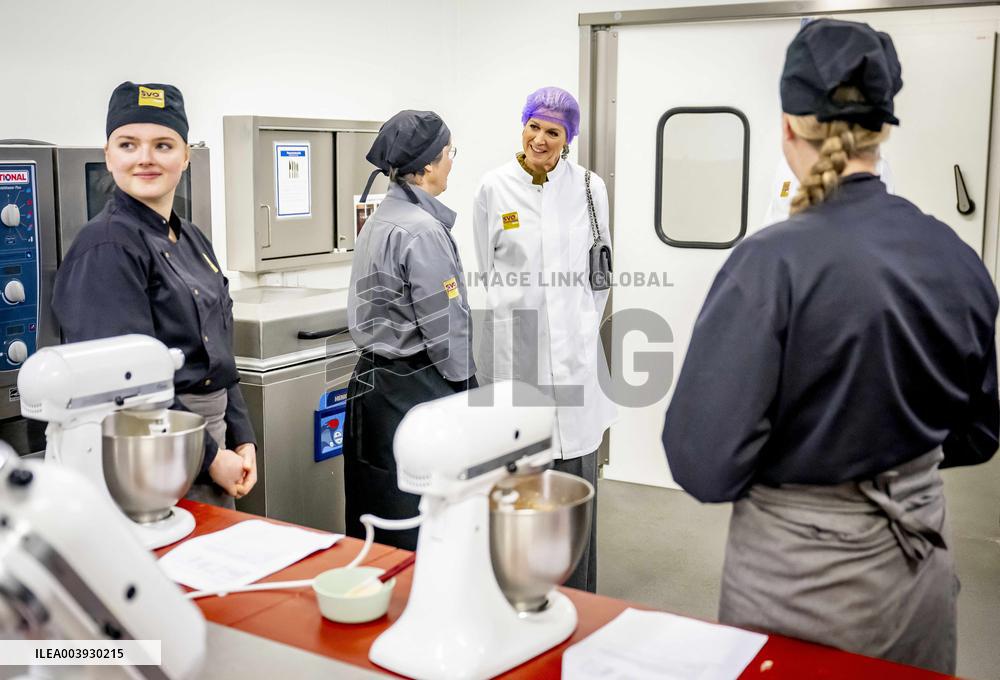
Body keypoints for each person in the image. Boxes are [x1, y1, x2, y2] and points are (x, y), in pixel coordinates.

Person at [661, 20, 998, 674]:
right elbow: (978, 430)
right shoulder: (956, 257)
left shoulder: (769, 264)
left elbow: (703, 462)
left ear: (787, 125)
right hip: (921, 570)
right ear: (884, 130)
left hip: (803, 584)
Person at [52, 81, 257, 507]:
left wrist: (242, 437)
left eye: (163, 145)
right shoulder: (107, 246)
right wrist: (209, 456)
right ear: (108, 156)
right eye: (128, 144)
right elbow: (125, 387)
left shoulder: (192, 237)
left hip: (208, 444)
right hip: (149, 452)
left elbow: (218, 351)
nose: (145, 158)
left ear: (185, 156)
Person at [473, 87, 617, 593]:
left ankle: (579, 596)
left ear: (568, 139)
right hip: (521, 353)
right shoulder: (494, 187)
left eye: (553, 132)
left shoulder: (589, 188)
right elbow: (488, 273)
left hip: (575, 357)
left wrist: (576, 326)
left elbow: (597, 276)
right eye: (533, 126)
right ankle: (522, 591)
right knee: (523, 482)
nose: (539, 139)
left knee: (574, 484)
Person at [346, 110, 477, 551]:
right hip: (416, 389)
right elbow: (446, 328)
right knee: (421, 517)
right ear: (427, 165)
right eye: (449, 154)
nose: (451, 163)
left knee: (378, 510)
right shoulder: (423, 232)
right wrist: (467, 392)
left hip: (372, 386)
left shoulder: (380, 218)